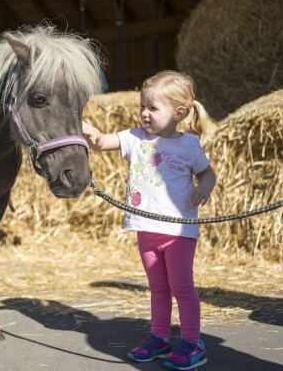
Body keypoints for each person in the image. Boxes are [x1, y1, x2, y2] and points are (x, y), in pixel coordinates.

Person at [82, 70, 216, 370]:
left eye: (152, 108)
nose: (144, 113)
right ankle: (159, 336)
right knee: (157, 288)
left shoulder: (189, 145)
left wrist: (204, 186)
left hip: (178, 231)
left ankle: (193, 342)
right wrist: (91, 134)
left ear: (180, 112)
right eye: (142, 106)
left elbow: (207, 172)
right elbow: (104, 142)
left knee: (182, 286)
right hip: (146, 230)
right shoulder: (135, 138)